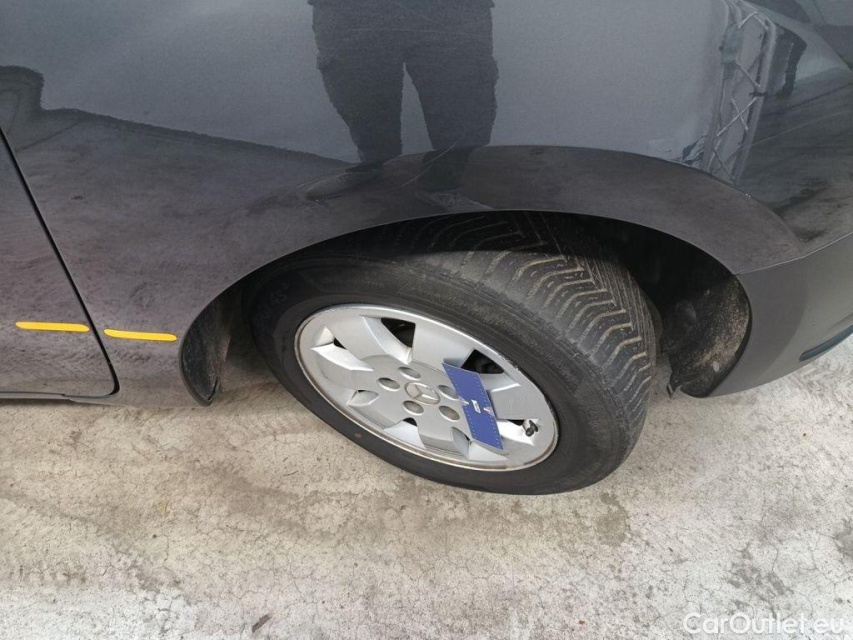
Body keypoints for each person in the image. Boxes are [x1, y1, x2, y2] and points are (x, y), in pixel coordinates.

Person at [306, 0, 498, 211]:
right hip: (350, 10)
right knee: (358, 94)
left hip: (452, 9)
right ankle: (368, 165)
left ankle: (442, 183)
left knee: (464, 96)